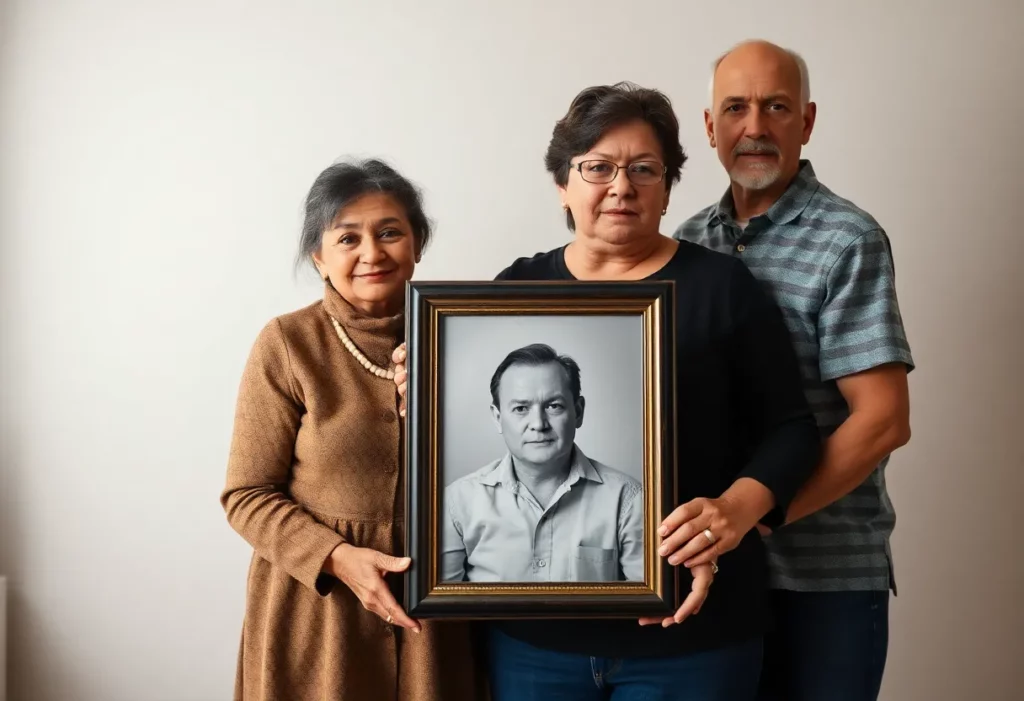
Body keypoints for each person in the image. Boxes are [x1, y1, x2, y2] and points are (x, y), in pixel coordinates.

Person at [395, 82, 822, 700]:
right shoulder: (515, 288)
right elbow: (450, 445)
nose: (621, 186)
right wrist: (423, 391)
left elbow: (792, 429)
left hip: (695, 635)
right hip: (535, 645)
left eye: (644, 169)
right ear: (562, 184)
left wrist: (737, 511)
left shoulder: (723, 287)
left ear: (669, 185)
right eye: (597, 167)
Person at [673, 40, 914, 701]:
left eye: (776, 107)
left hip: (823, 579)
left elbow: (883, 421)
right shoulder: (687, 242)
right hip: (713, 573)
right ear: (709, 127)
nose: (754, 127)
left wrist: (752, 519)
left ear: (806, 122)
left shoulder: (847, 238)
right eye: (736, 108)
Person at [220, 159, 484, 701]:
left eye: (390, 232)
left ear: (417, 245)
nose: (372, 252)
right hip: (316, 611)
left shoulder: (469, 332)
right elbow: (245, 495)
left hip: (435, 607)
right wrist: (338, 558)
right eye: (348, 238)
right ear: (319, 256)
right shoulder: (288, 343)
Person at [442, 343, 644, 583]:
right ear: (498, 419)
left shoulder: (628, 499)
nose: (538, 423)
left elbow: (649, 607)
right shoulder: (457, 502)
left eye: (554, 406)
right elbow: (442, 615)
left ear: (578, 412)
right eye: (520, 408)